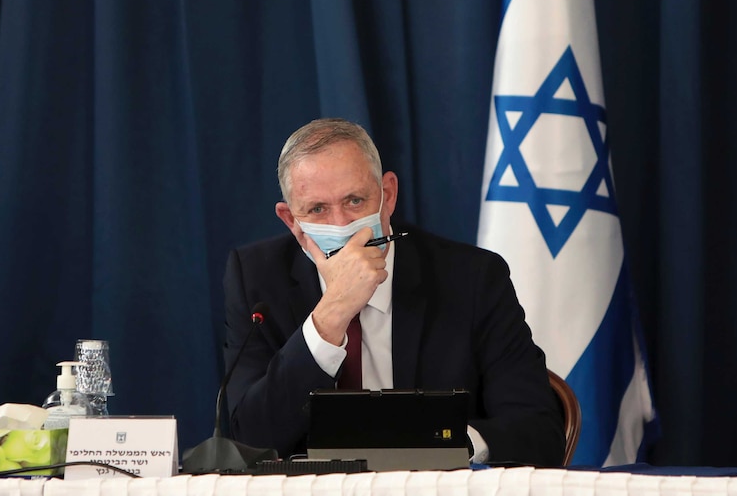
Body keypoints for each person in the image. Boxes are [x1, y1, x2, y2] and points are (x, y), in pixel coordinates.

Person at [223, 118, 565, 467]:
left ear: (387, 196)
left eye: (355, 201)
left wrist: (438, 443)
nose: (342, 226)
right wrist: (331, 315)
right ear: (291, 219)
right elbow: (248, 442)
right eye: (318, 210)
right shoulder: (257, 280)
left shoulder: (472, 279)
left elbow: (537, 431)